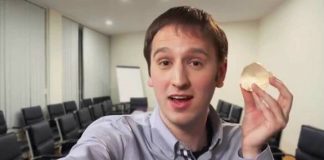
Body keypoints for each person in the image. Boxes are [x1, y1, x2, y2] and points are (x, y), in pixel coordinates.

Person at [61, 6, 293, 160]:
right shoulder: (115, 137)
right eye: (164, 62)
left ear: (220, 73)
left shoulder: (242, 143)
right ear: (150, 74)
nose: (179, 81)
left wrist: (253, 151)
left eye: (195, 63)